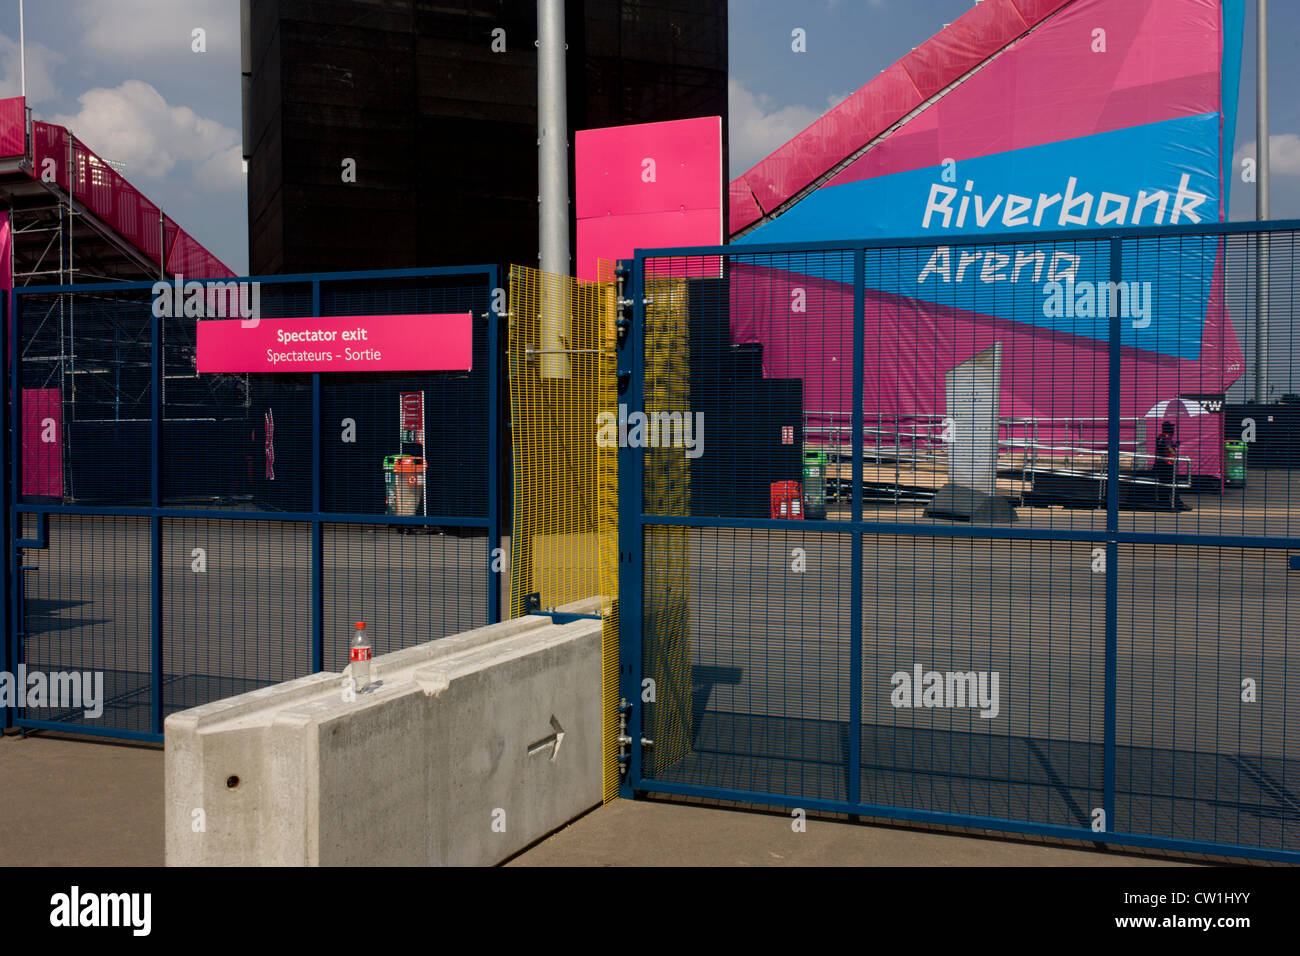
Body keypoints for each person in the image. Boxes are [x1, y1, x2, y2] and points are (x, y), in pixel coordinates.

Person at [1154, 421, 1179, 491]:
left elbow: (1163, 447)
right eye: (1171, 428)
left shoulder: (1160, 437)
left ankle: (1163, 500)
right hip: (1166, 464)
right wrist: (1175, 454)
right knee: (1171, 483)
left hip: (1160, 463)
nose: (1173, 429)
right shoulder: (1166, 436)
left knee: (1162, 483)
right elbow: (1168, 447)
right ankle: (1175, 500)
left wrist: (1174, 445)